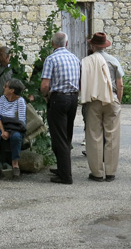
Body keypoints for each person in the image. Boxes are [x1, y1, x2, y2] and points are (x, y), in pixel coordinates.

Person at [80, 32, 124, 182]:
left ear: (93, 45)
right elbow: (120, 84)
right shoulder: (113, 61)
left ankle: (97, 173)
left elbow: (82, 82)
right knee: (112, 135)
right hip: (111, 98)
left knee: (94, 135)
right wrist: (118, 100)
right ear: (105, 45)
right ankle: (110, 172)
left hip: (93, 99)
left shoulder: (86, 61)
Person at [40, 32, 80, 185]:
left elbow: (44, 85)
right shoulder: (75, 58)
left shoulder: (51, 59)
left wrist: (46, 96)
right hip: (73, 98)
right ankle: (62, 168)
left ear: (52, 44)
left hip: (58, 98)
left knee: (59, 136)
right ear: (67, 43)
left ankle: (65, 175)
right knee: (67, 134)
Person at [0, 79, 27, 179]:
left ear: (12, 90)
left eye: (6, 86)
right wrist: (2, 131)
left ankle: (15, 165)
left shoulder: (21, 101)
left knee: (17, 137)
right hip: (1, 126)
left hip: (15, 128)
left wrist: (9, 133)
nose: (3, 88)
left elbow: (21, 121)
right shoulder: (2, 98)